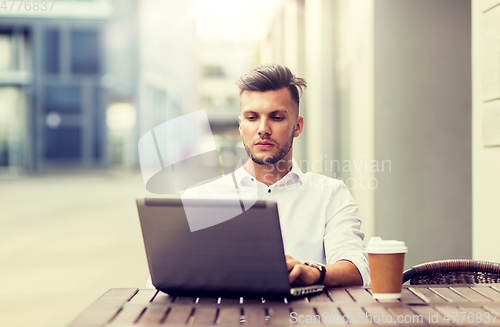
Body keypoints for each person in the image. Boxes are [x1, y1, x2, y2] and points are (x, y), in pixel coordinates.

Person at [230, 63, 369, 287]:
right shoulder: (203, 198)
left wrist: (314, 273)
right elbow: (159, 282)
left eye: (276, 117)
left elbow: (357, 269)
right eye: (252, 117)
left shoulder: (331, 195)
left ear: (297, 126)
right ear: (240, 125)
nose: (263, 128)